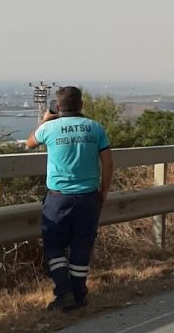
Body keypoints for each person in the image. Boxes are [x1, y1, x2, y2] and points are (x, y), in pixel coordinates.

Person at [25, 86, 113, 311]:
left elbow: (29, 143)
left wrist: (45, 120)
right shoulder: (95, 128)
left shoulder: (50, 128)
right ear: (81, 105)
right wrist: (103, 191)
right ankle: (79, 294)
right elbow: (108, 163)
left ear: (58, 105)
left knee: (54, 245)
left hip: (58, 199)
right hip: (88, 197)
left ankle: (64, 292)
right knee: (81, 247)